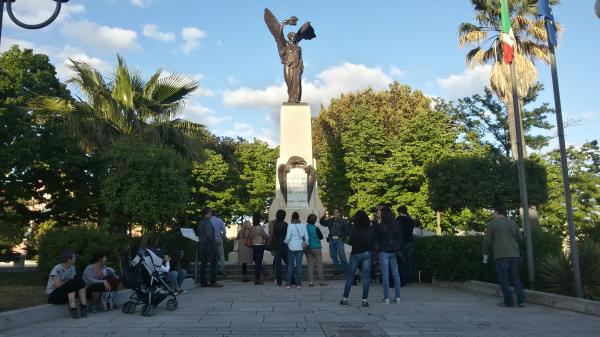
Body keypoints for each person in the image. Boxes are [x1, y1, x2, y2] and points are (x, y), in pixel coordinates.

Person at [482, 205, 525, 307]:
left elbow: (486, 241)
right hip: (515, 255)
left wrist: (485, 255)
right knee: (515, 278)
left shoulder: (492, 224)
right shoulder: (513, 223)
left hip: (500, 255)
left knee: (504, 279)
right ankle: (521, 301)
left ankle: (508, 302)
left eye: (493, 212)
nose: (493, 214)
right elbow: (520, 238)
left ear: (497, 212)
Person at [340, 210, 375, 307]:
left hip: (355, 253)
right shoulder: (370, 230)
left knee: (350, 276)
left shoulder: (354, 230)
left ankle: (345, 298)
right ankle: (364, 300)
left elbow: (350, 242)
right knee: (366, 277)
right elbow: (372, 242)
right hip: (366, 253)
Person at [46, 249, 88, 319]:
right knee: (72, 283)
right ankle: (73, 308)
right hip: (53, 296)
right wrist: (68, 283)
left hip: (66, 293)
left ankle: (83, 306)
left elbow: (73, 283)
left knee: (80, 281)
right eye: (74, 257)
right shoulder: (57, 268)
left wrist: (70, 283)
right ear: (69, 259)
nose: (75, 258)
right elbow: (57, 285)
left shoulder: (72, 267)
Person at [375, 206, 403, 304]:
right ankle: (398, 297)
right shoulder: (397, 223)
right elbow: (400, 238)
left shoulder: (381, 225)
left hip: (384, 251)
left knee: (385, 275)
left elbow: (376, 237)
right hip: (394, 251)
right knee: (396, 274)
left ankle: (386, 297)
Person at [196, 207, 223, 288]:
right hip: (209, 246)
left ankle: (203, 282)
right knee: (214, 263)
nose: (211, 213)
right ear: (208, 213)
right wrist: (212, 244)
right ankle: (213, 282)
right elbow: (209, 235)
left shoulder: (201, 222)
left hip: (202, 245)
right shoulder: (207, 222)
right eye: (210, 212)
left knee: (203, 264)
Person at [320, 208, 350, 274]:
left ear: (340, 213)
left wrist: (342, 238)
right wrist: (323, 216)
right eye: (334, 212)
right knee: (333, 255)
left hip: (339, 240)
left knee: (341, 255)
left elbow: (347, 231)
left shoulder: (343, 221)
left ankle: (345, 269)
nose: (335, 213)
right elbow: (322, 223)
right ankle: (337, 269)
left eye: (336, 212)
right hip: (331, 240)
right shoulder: (330, 220)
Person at [284, 212, 309, 289]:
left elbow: (288, 237)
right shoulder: (303, 225)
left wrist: (285, 242)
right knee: (299, 266)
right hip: (300, 247)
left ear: (292, 217)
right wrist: (306, 244)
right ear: (298, 217)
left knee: (290, 266)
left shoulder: (290, 226)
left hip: (291, 246)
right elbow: (307, 237)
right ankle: (299, 284)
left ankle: (288, 284)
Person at [304, 214, 327, 287]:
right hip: (316, 247)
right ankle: (321, 281)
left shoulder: (305, 228)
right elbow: (321, 237)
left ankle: (311, 282)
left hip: (308, 248)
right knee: (319, 265)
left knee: (310, 265)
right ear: (315, 220)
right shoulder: (316, 228)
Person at [397, 205, 415, 286]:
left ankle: (402, 278)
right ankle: (409, 278)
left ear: (400, 212)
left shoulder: (398, 219)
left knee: (401, 260)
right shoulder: (411, 220)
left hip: (401, 242)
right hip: (410, 241)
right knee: (409, 261)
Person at [248, 214, 268, 285]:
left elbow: (249, 236)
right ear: (258, 219)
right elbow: (265, 236)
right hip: (260, 245)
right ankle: (257, 278)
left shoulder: (252, 228)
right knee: (258, 262)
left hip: (254, 245)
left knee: (256, 261)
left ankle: (258, 276)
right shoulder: (260, 228)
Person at [270, 209, 289, 286]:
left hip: (277, 245)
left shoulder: (274, 224)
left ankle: (279, 281)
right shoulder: (285, 224)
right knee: (289, 263)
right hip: (284, 245)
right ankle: (291, 279)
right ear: (284, 216)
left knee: (278, 264)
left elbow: (273, 235)